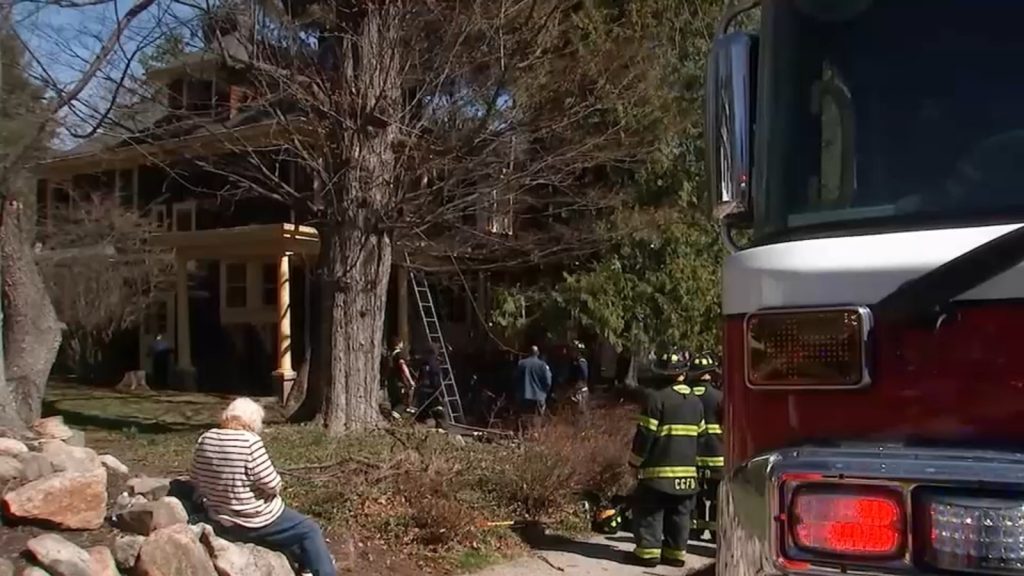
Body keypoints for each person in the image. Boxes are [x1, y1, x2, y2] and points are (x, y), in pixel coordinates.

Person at [190, 398, 336, 576]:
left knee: (295, 535)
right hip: (256, 520)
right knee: (309, 530)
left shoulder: (206, 439)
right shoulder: (250, 442)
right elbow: (272, 485)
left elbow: (196, 478)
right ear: (252, 421)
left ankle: (305, 566)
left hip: (221, 517)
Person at [625, 354, 706, 568]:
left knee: (650, 511)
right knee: (679, 516)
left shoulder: (656, 399)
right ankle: (675, 554)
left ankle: (647, 553)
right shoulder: (695, 402)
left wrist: (634, 462)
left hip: (657, 474)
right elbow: (701, 435)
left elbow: (645, 436)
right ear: (683, 373)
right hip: (687, 476)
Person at [690, 354, 724, 542]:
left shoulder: (685, 396)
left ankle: (694, 529)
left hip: (690, 456)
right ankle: (715, 532)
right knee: (718, 496)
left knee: (694, 495)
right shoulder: (720, 397)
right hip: (717, 455)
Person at [514, 345, 552, 435]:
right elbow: (548, 381)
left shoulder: (521, 364)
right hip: (538, 397)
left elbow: (515, 378)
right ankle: (534, 436)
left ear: (528, 353)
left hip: (523, 396)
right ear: (538, 353)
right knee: (537, 418)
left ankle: (523, 435)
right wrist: (544, 392)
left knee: (523, 417)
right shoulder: (543, 365)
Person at [413, 344, 444, 421]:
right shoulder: (434, 363)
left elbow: (420, 375)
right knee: (436, 406)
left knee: (423, 406)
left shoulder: (424, 362)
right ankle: (438, 421)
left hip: (422, 387)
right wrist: (438, 388)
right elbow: (435, 377)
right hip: (431, 388)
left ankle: (422, 419)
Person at [385, 337, 416, 412]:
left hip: (391, 381)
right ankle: (396, 415)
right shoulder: (399, 354)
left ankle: (395, 418)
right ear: (399, 344)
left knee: (394, 400)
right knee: (403, 401)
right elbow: (403, 367)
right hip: (400, 381)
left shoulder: (389, 355)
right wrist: (410, 380)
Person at [567, 341, 590, 418]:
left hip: (580, 390)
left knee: (581, 411)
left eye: (573, 350)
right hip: (575, 389)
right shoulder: (573, 362)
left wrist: (579, 384)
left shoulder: (581, 362)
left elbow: (584, 376)